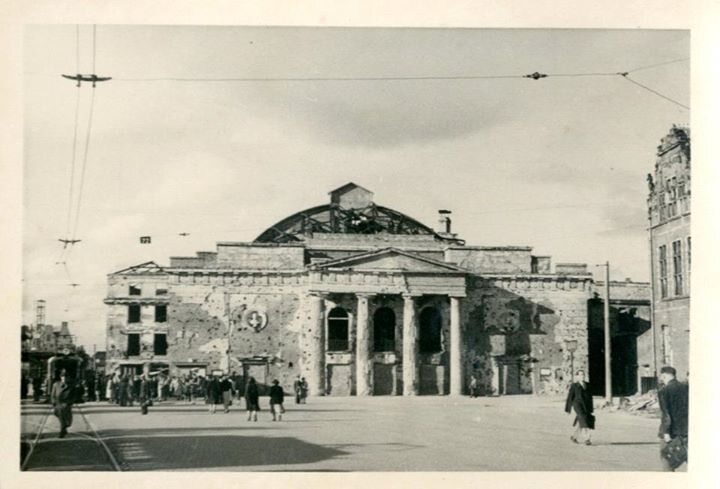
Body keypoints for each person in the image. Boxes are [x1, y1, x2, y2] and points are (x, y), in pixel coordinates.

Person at [657, 366, 689, 471]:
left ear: (664, 375)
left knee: (667, 464)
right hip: (687, 432)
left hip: (672, 433)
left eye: (661, 375)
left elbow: (666, 414)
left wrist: (666, 432)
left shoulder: (664, 390)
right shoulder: (686, 388)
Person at [564, 370, 594, 446]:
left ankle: (574, 437)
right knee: (583, 419)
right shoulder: (574, 386)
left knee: (582, 421)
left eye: (583, 374)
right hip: (578, 405)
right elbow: (570, 397)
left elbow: (590, 397)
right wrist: (568, 409)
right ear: (577, 376)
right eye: (580, 375)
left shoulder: (588, 385)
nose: (582, 376)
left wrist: (591, 408)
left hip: (586, 406)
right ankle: (587, 439)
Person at [50, 370, 75, 438]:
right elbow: (53, 396)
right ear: (61, 378)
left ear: (69, 378)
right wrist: (54, 403)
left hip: (67, 405)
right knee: (62, 418)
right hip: (58, 405)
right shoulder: (56, 385)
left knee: (69, 423)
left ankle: (64, 428)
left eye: (66, 377)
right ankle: (62, 431)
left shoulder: (71, 386)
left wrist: (69, 403)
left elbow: (74, 397)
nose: (64, 379)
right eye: (63, 377)